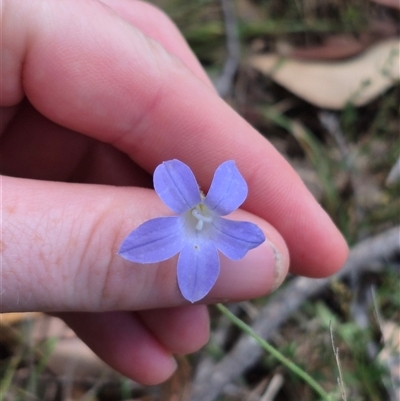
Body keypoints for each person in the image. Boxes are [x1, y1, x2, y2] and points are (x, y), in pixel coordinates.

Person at [1, 0, 348, 386]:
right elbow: (172, 179)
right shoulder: (193, 190)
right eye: (197, 208)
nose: (199, 214)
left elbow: (228, 218)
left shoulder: (216, 198)